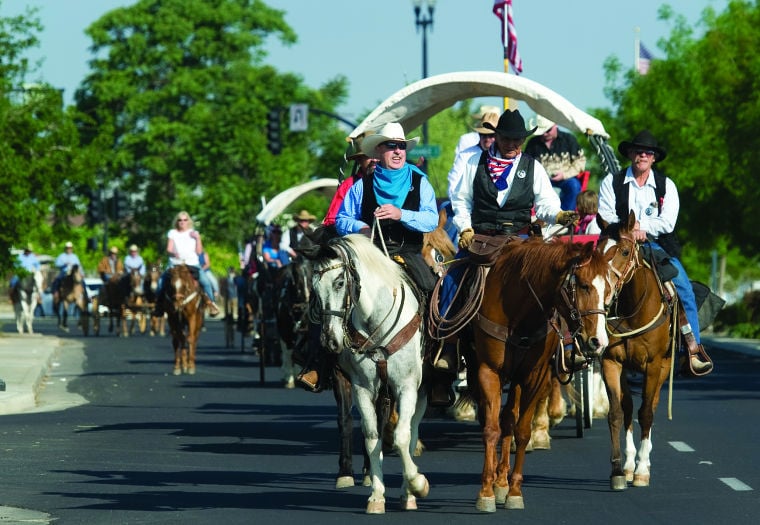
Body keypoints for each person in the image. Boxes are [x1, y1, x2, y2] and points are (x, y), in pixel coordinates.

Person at [439, 109, 579, 404]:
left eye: (517, 139)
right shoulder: (473, 162)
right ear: (496, 138)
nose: (512, 144)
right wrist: (464, 228)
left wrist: (558, 213)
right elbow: (460, 200)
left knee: (556, 285)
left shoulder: (532, 166)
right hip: (481, 238)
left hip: (521, 239)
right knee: (451, 280)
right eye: (506, 138)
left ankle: (566, 344)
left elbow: (545, 203)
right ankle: (449, 347)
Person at [298, 122, 439, 393]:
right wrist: (360, 227)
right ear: (379, 151)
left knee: (435, 294)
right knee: (329, 295)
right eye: (392, 146)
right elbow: (341, 219)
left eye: (402, 146)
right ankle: (319, 364)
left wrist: (402, 215)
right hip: (369, 254)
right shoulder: (362, 185)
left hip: (407, 252)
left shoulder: (420, 182)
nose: (398, 151)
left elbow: (431, 219)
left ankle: (439, 366)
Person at [597, 129, 713, 375]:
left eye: (647, 152)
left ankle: (693, 350)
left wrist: (642, 228)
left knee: (684, 288)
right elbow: (605, 214)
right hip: (619, 243)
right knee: (593, 281)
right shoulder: (612, 181)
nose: (642, 155)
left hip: (655, 245)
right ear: (630, 154)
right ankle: (584, 341)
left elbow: (668, 222)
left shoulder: (665, 185)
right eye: (638, 151)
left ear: (654, 158)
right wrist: (628, 229)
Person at [153, 211, 220, 317]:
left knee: (206, 282)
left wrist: (197, 239)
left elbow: (199, 252)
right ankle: (158, 306)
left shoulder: (194, 233)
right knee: (161, 282)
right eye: (180, 220)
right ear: (177, 222)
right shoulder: (172, 233)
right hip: (175, 264)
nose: (182, 222)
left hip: (192, 264)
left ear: (189, 221)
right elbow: (169, 249)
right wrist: (173, 253)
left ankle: (211, 304)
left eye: (185, 220)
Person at [525, 115, 587, 211]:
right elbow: (526, 166)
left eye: (548, 130)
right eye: (542, 131)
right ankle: (537, 219)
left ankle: (566, 218)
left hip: (566, 179)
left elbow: (580, 162)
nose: (545, 133)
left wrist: (564, 175)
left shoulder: (569, 139)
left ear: (555, 125)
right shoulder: (532, 144)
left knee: (574, 186)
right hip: (541, 182)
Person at [323, 131, 377, 227]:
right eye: (368, 156)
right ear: (359, 160)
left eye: (377, 155)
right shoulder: (349, 185)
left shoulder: (395, 179)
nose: (374, 160)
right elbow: (331, 221)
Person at [447, 111, 499, 202]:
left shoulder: (505, 155)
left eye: (491, 135)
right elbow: (453, 184)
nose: (487, 139)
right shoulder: (465, 155)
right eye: (483, 134)